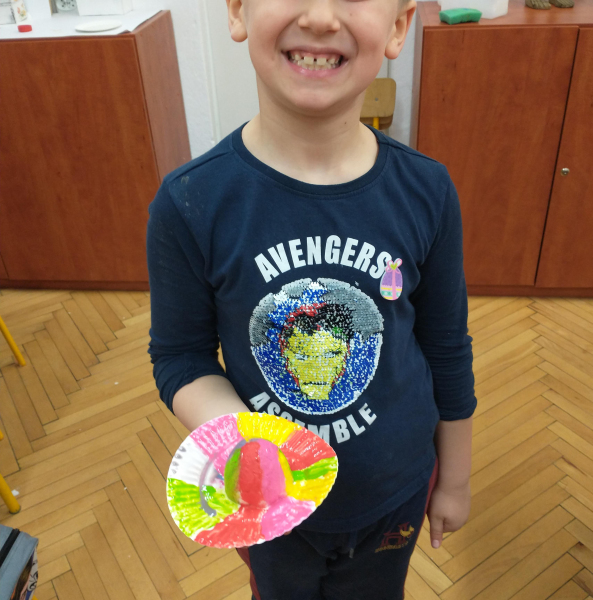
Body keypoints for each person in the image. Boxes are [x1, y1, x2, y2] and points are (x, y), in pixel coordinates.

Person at [146, 0, 476, 598]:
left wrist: (454, 479)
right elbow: (180, 357)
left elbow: (447, 346)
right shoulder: (189, 202)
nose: (321, 18)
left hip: (396, 490)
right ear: (238, 11)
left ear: (398, 26)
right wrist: (253, 446)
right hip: (268, 508)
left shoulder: (427, 190)